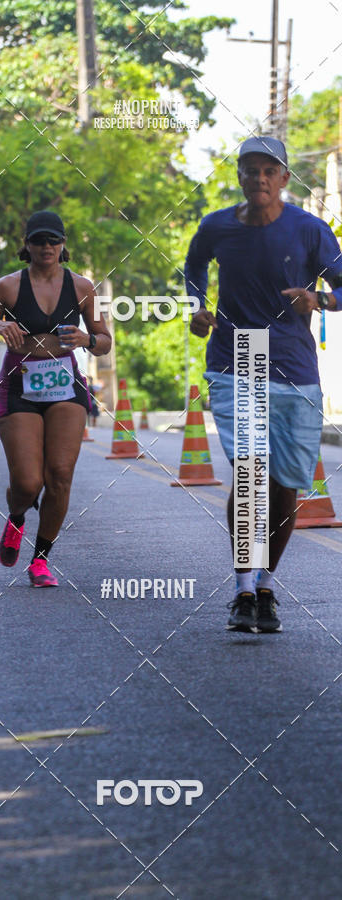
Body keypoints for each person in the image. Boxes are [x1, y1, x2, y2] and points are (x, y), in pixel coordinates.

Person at [185, 135, 342, 633]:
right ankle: (243, 586)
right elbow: (193, 269)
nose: (258, 178)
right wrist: (196, 307)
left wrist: (319, 300)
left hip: (294, 367)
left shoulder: (310, 230)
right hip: (238, 358)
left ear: (284, 179)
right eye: (249, 169)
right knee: (250, 473)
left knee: (285, 486)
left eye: (268, 170)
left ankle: (267, 584)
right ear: (239, 176)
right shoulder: (217, 226)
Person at [0, 210, 111, 586]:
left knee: (60, 475)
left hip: (65, 385)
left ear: (63, 245)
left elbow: (104, 341)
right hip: (19, 385)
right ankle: (17, 516)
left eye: (53, 240)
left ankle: (41, 560)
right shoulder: (7, 287)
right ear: (26, 245)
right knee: (29, 483)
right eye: (38, 241)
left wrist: (88, 340)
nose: (46, 247)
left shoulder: (82, 287)